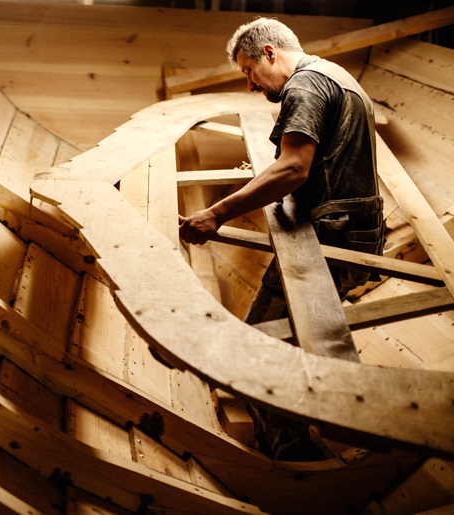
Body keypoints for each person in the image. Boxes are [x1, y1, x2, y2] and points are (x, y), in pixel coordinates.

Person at [179, 18, 385, 461]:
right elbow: (315, 158)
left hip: (336, 238)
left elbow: (295, 168)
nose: (251, 85)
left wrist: (216, 213)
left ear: (270, 53)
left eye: (249, 71)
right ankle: (312, 408)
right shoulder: (333, 74)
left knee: (258, 343)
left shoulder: (304, 87)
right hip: (359, 230)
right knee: (292, 330)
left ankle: (295, 457)